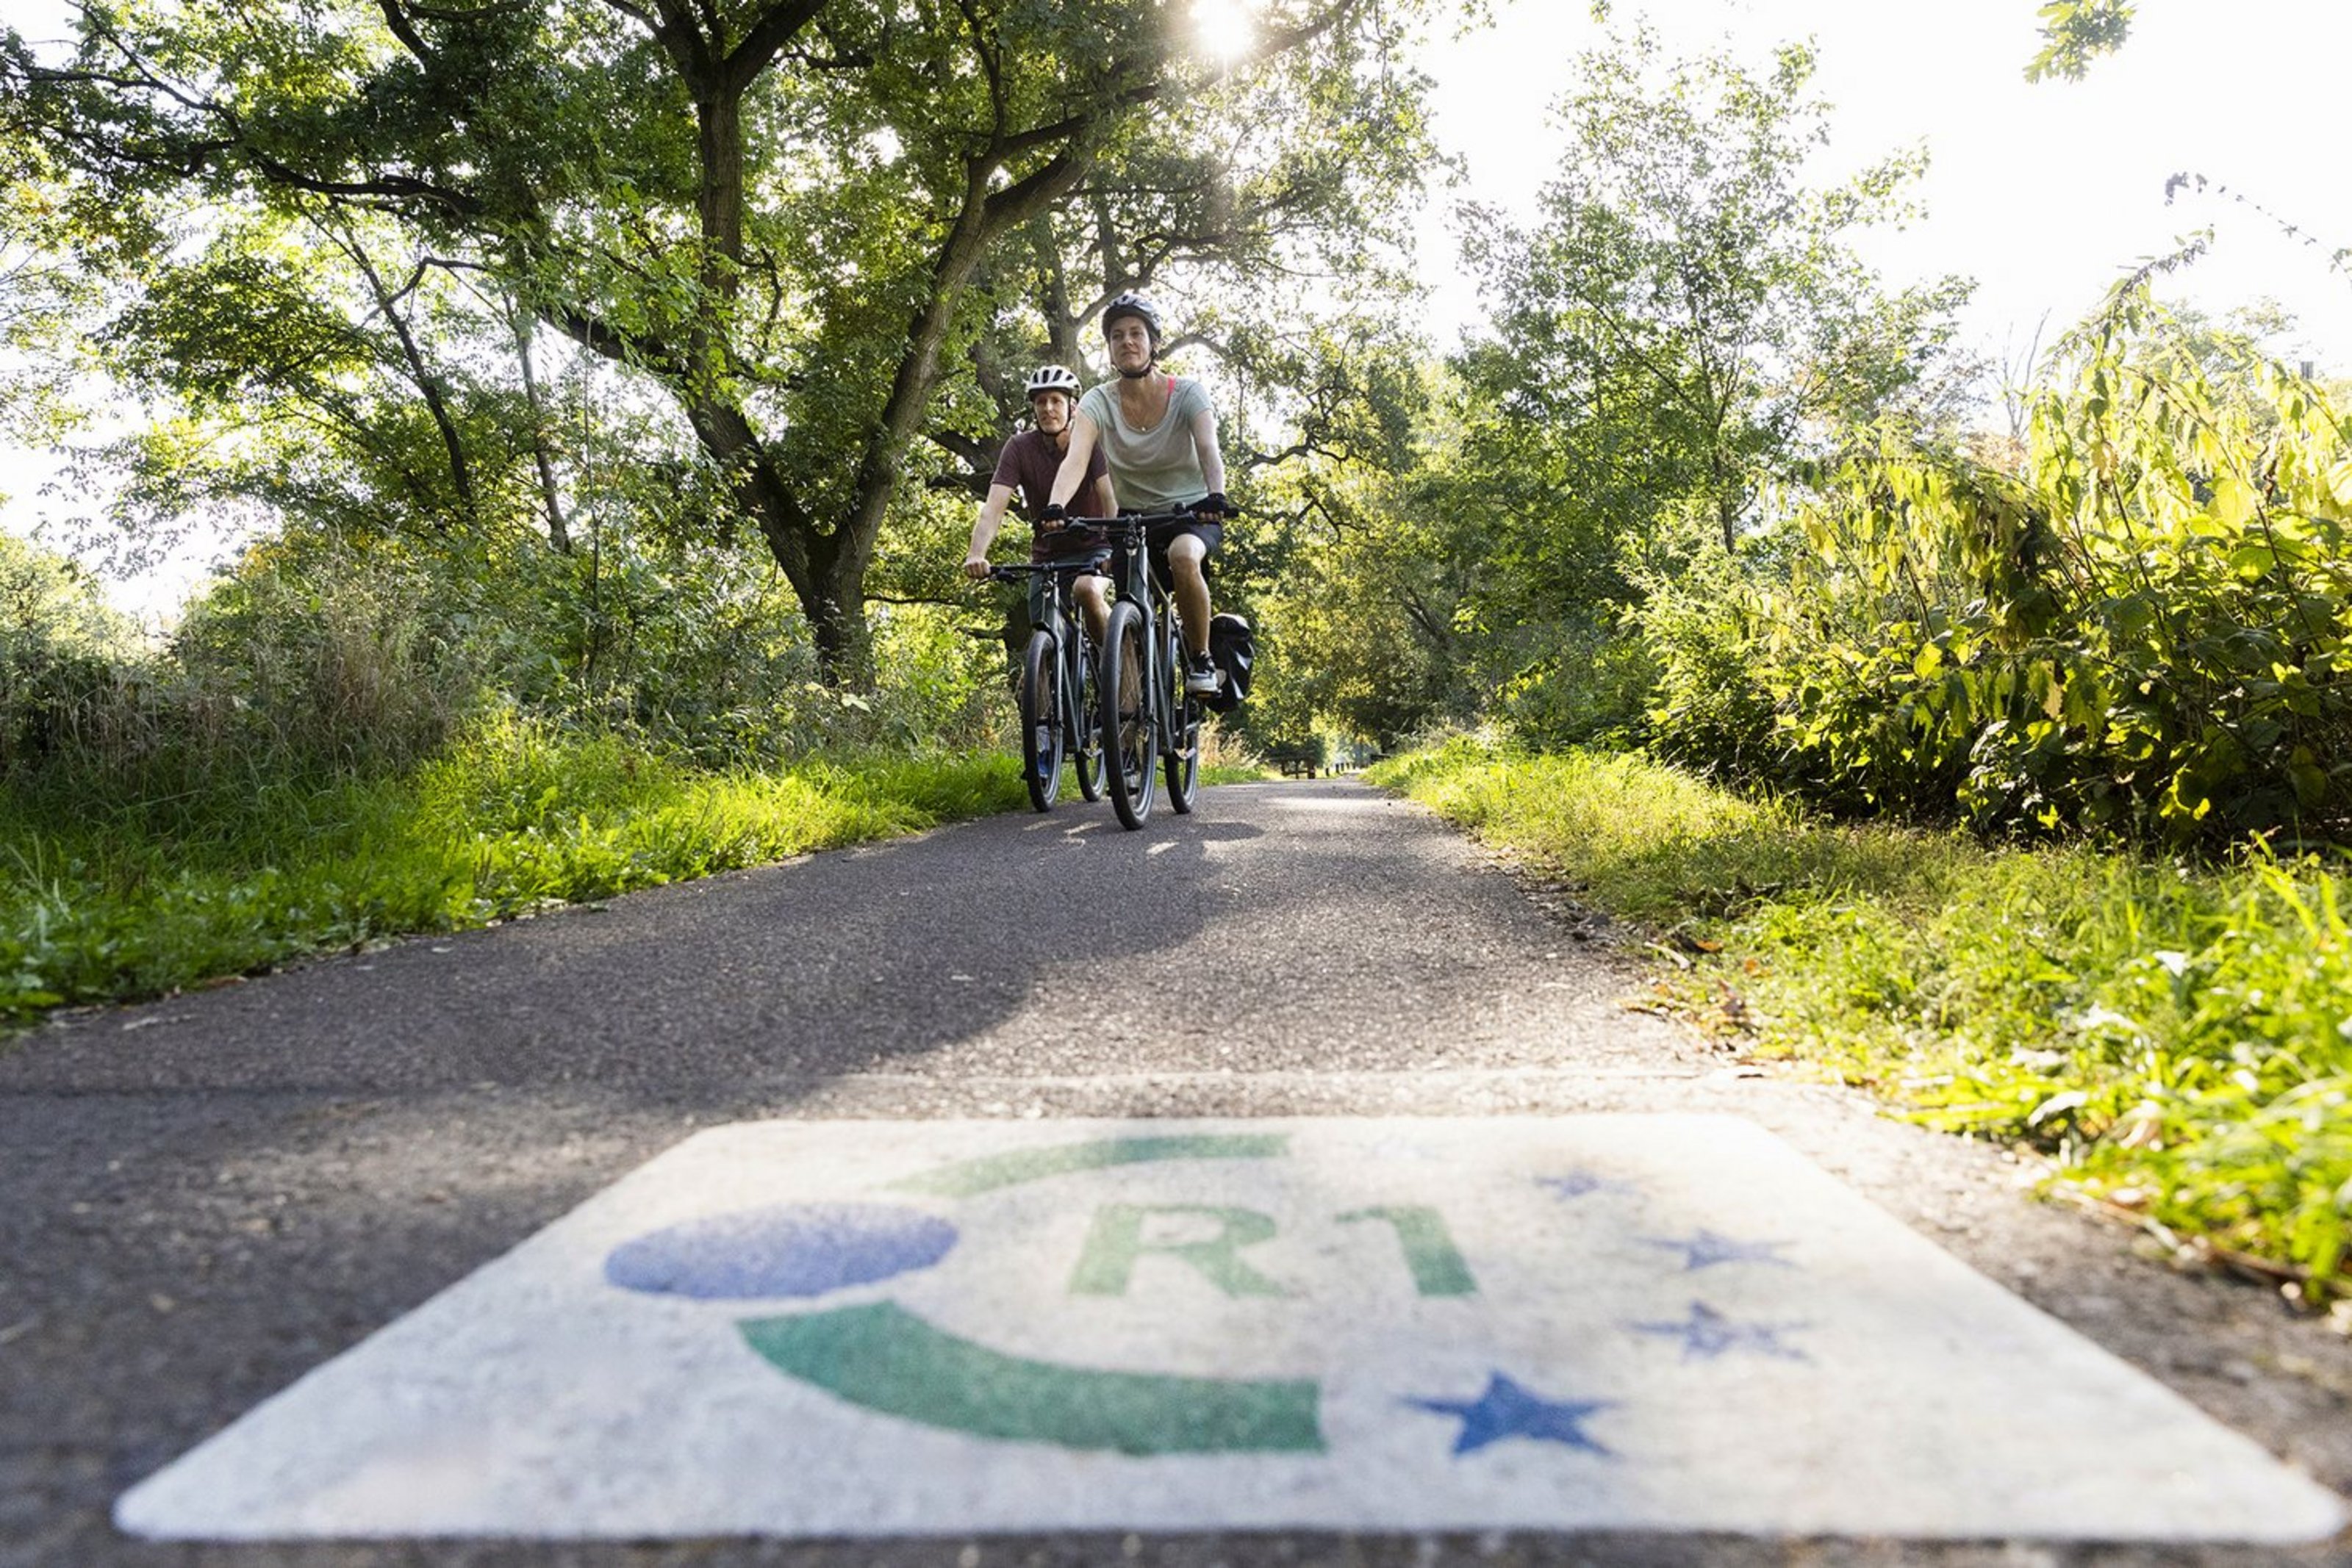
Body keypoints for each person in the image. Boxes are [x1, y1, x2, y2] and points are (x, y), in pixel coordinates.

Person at [1042, 292, 1228, 697]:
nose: (1127, 341)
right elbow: (1075, 460)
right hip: (1130, 519)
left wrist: (1216, 497)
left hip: (1191, 514)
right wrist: (1055, 505)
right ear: (1109, 348)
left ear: (1153, 342)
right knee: (1132, 613)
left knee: (1183, 556)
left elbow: (1209, 450)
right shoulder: (1097, 401)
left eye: (1136, 333)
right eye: (1117, 335)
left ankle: (1200, 658)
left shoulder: (1188, 394)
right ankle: (1134, 702)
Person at [964, 364, 1117, 639]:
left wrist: (1116, 547)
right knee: (1046, 637)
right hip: (1048, 557)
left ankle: (1116, 658)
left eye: (1057, 400)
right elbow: (994, 508)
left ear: (1072, 406)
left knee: (1089, 590)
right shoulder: (1019, 448)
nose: (1048, 408)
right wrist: (976, 554)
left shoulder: (1089, 442)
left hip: (1095, 550)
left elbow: (1109, 496)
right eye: (1041, 402)